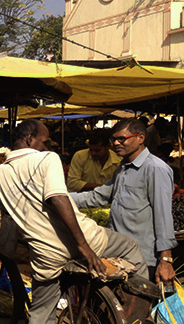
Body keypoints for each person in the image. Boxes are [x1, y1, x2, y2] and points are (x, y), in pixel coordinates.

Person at [0, 119, 147, 324]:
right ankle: (136, 318)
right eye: (45, 140)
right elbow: (58, 198)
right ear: (30, 139)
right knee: (131, 247)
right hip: (85, 241)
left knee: (40, 316)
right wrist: (83, 247)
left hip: (46, 256)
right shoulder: (46, 159)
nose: (47, 144)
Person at [71, 118, 177, 283]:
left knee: (142, 305)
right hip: (121, 254)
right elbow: (97, 196)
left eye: (122, 139)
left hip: (144, 258)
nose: (116, 143)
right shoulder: (122, 168)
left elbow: (163, 216)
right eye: (114, 139)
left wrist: (166, 260)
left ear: (140, 138)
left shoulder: (155, 169)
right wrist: (60, 198)